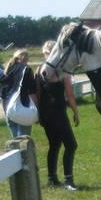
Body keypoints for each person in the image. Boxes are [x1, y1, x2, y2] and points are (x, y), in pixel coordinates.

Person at [36, 41, 79, 191]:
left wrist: (39, 115)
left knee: (54, 145)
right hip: (58, 113)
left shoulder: (39, 70)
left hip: (45, 114)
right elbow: (70, 95)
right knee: (71, 145)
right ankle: (68, 181)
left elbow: (38, 95)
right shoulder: (61, 71)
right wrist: (76, 112)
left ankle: (52, 178)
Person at [0, 50, 37, 138]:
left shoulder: (7, 70)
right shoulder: (27, 70)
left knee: (15, 142)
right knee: (23, 143)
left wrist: (6, 112)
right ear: (26, 58)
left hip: (9, 110)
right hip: (23, 110)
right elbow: (32, 93)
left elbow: (2, 95)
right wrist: (37, 110)